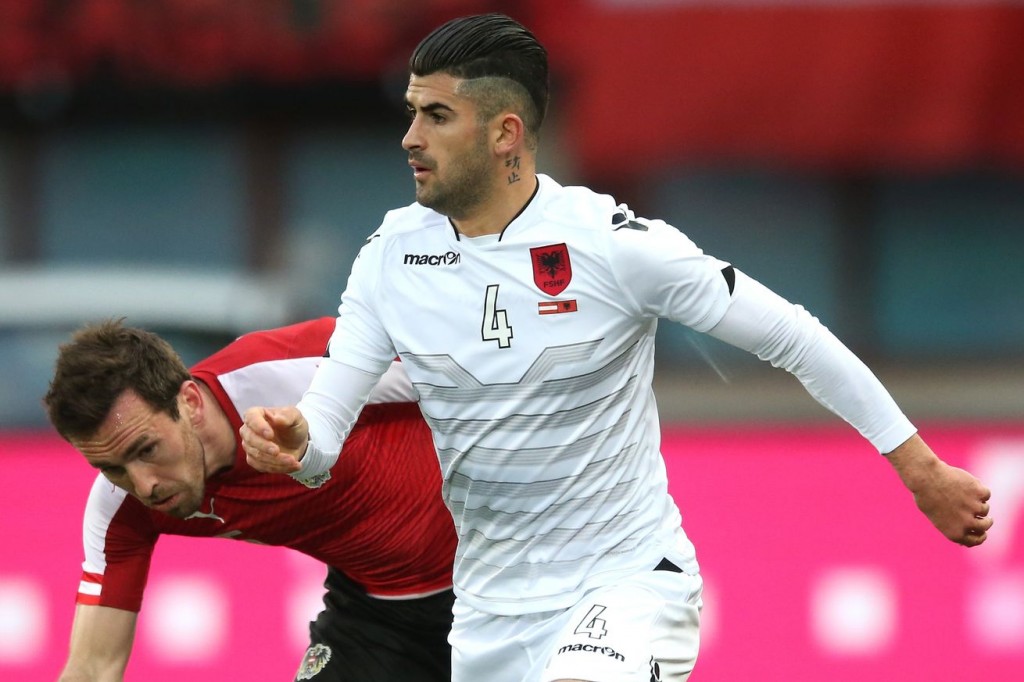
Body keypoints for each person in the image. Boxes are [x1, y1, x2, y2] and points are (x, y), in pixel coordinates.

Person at [240, 13, 994, 682]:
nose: (410, 137)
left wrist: (919, 467)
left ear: (505, 133)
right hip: (488, 614)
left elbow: (791, 335)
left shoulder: (612, 246)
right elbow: (326, 429)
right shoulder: (390, 258)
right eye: (411, 113)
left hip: (626, 585)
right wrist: (297, 442)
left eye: (437, 115)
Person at [44, 317, 456, 682]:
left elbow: (476, 375)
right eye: (111, 467)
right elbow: (91, 670)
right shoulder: (121, 508)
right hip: (376, 620)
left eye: (146, 449)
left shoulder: (291, 369)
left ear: (189, 403)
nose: (143, 485)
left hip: (487, 583)